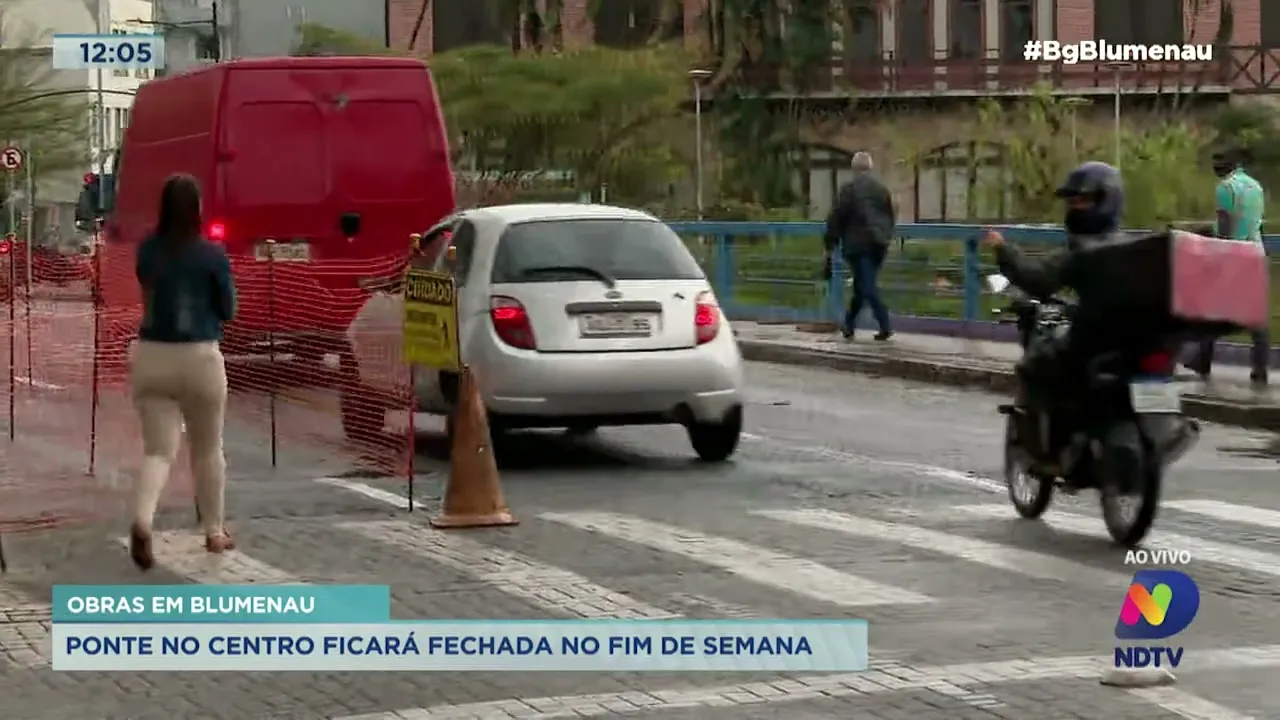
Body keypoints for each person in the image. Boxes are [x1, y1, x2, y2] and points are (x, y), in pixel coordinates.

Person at [128, 173, 237, 570]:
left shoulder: (148, 251)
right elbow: (228, 309)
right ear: (197, 210)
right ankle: (213, 531)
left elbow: (147, 286)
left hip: (152, 355)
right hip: (199, 357)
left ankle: (142, 520)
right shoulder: (211, 255)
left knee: (159, 451)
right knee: (207, 449)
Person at [981, 161, 1128, 407]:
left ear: (1106, 200)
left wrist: (1003, 249)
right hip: (1133, 339)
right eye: (1071, 203)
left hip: (1096, 338)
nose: (1074, 208)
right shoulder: (1130, 245)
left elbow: (1038, 278)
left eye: (1083, 201)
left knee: (1040, 363)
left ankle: (1048, 428)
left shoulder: (1082, 252)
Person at [1184, 147, 1269, 386]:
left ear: (1232, 163)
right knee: (1256, 317)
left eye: (1220, 160)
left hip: (1235, 255)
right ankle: (1260, 368)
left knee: (1211, 310)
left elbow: (1226, 226)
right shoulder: (1256, 186)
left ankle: (1203, 361)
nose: (1216, 166)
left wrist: (1218, 254)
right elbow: (1256, 224)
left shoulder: (1225, 188)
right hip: (1256, 252)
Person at [823, 151, 895, 340]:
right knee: (862, 284)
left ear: (853, 168)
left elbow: (837, 218)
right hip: (879, 244)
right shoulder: (881, 190)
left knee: (866, 285)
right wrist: (886, 238)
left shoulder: (849, 189)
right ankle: (849, 324)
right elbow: (890, 217)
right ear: (870, 168)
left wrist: (830, 244)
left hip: (857, 245)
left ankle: (885, 323)